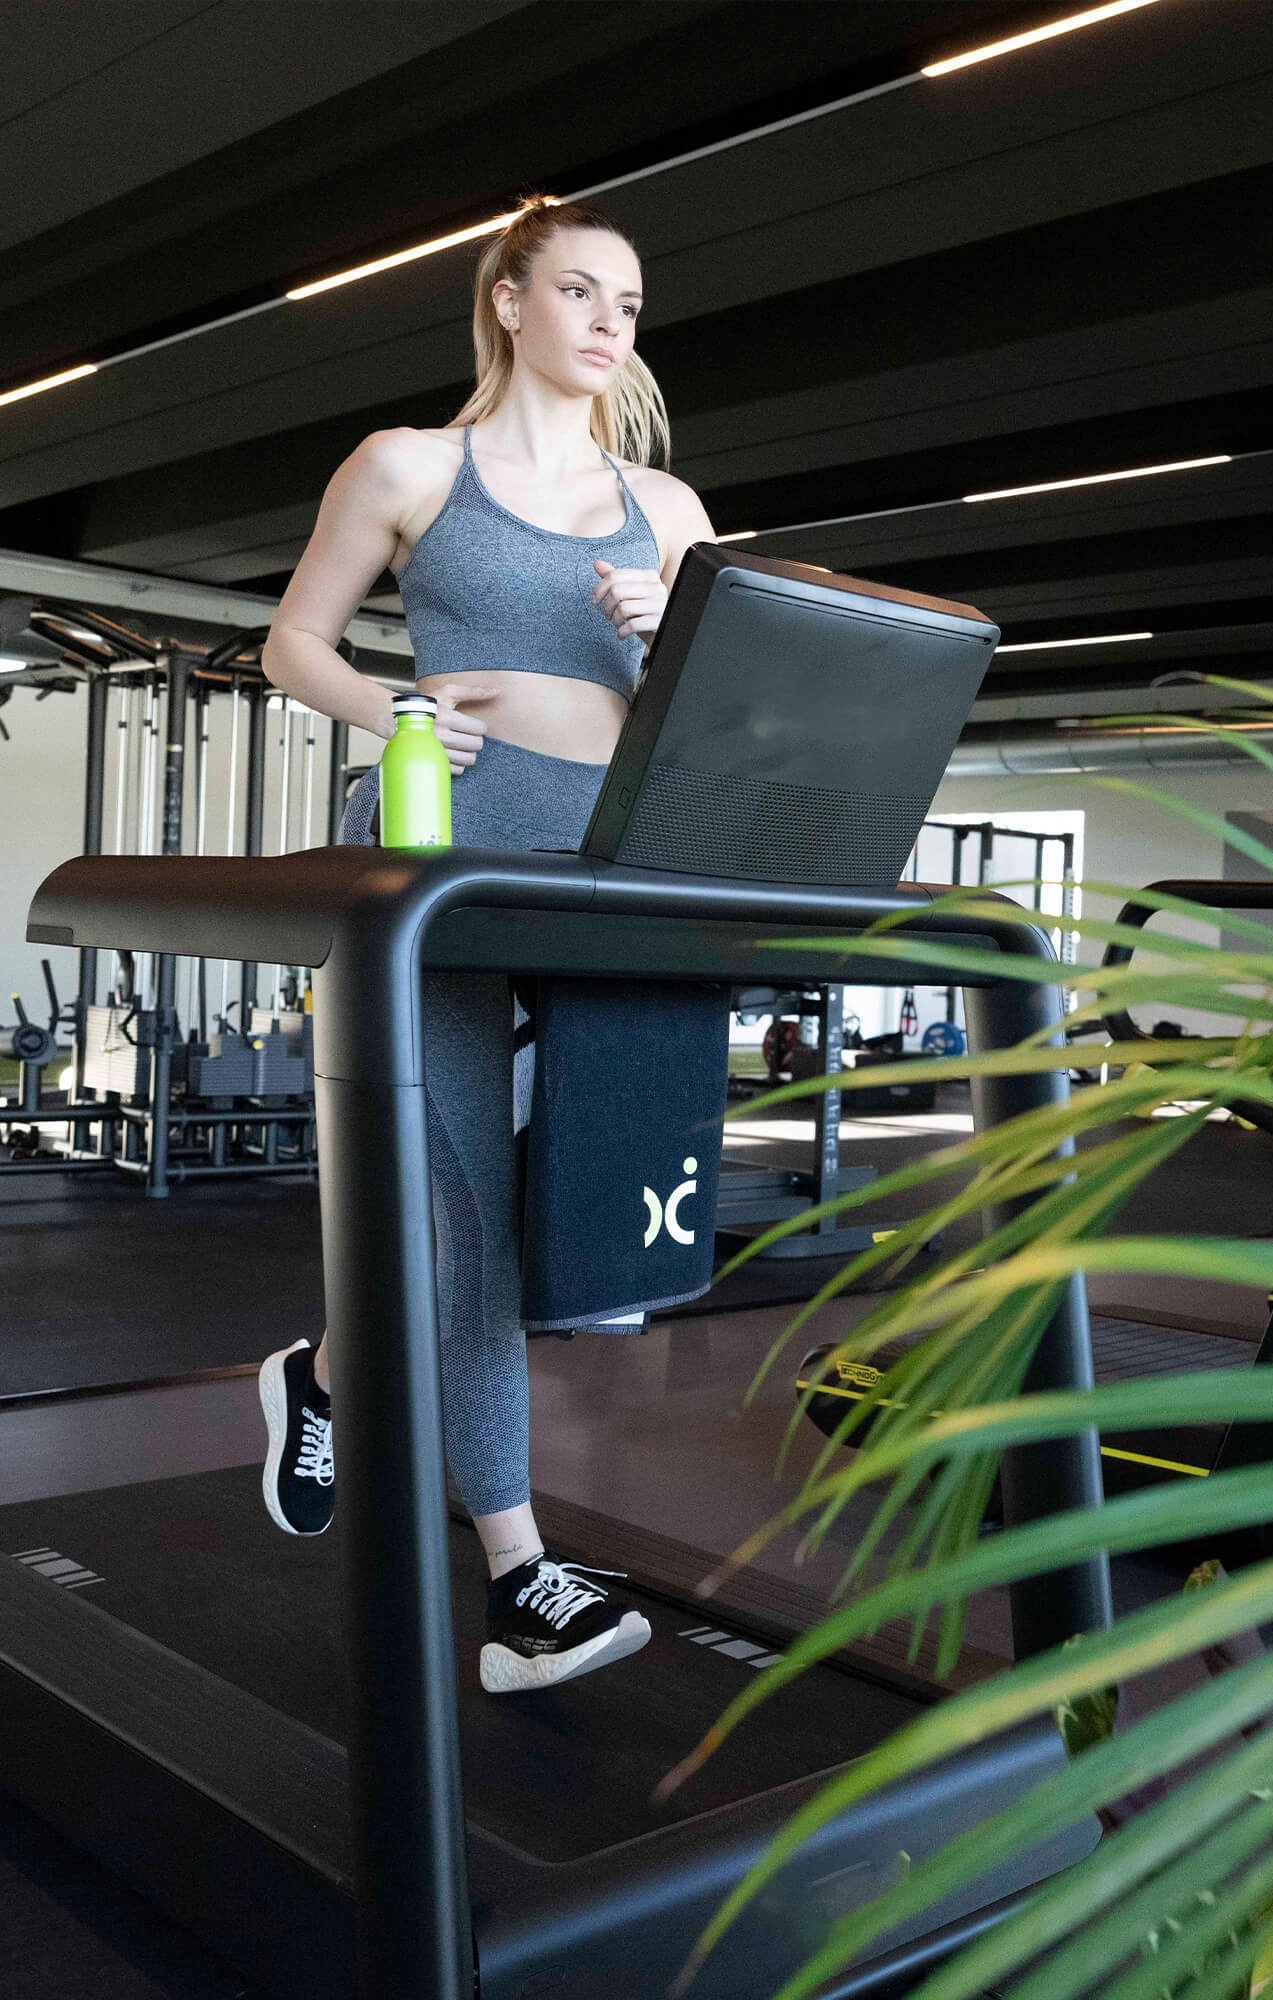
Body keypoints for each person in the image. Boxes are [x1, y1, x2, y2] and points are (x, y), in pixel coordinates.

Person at [256, 194, 716, 1692]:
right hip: (447, 858)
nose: (606, 322)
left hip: (609, 869)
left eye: (629, 305)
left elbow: (717, 728)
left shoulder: (672, 511)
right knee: (458, 1217)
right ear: (509, 300)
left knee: (547, 1219)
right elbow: (293, 640)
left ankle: (322, 1373)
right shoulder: (411, 466)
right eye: (580, 291)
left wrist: (669, 646)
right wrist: (390, 708)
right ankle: (524, 1578)